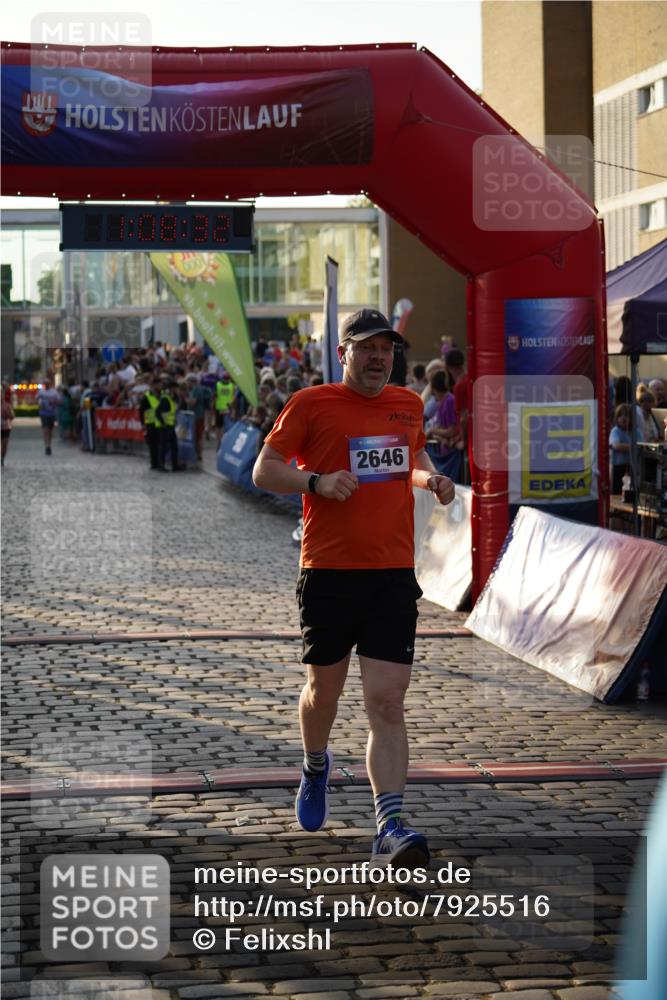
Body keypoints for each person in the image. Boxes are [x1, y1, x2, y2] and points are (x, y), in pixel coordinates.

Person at [253, 308, 455, 866]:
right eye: (366, 348)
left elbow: (409, 457)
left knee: (387, 703)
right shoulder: (311, 404)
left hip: (392, 574)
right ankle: (316, 763)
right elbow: (264, 469)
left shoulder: (407, 404)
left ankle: (389, 823)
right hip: (329, 574)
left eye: (386, 349)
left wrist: (429, 477)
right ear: (343, 352)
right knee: (325, 694)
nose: (377, 358)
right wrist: (315, 480)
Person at [157, 380, 183, 472]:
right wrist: (163, 422)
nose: (177, 390)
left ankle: (175, 466)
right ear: (172, 388)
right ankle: (161, 465)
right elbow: (158, 412)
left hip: (171, 426)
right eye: (176, 388)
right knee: (164, 446)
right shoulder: (165, 398)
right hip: (165, 426)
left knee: (174, 446)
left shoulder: (173, 398)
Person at [139, 374, 164, 471]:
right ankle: (154, 463)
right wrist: (143, 423)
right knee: (153, 444)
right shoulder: (147, 396)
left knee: (160, 444)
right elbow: (141, 411)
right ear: (154, 385)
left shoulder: (163, 395)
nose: (161, 387)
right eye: (159, 385)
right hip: (151, 423)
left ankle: (159, 463)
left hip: (161, 423)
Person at [609, 403, 632, 494]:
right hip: (618, 468)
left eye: (626, 416)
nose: (623, 418)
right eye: (620, 415)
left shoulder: (636, 431)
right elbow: (616, 446)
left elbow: (642, 446)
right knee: (617, 492)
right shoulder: (615, 431)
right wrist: (632, 447)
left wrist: (625, 447)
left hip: (632, 467)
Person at [37, 378, 59, 455]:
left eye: (47, 383)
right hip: (43, 413)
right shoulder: (41, 392)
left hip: (51, 413)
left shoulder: (54, 392)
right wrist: (39, 403)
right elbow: (37, 400)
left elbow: (58, 401)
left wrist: (54, 401)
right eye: (45, 383)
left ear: (50, 384)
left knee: (50, 430)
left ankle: (49, 444)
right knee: (45, 429)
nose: (46, 385)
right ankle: (47, 446)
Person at [214, 371, 235, 448]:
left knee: (221, 427)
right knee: (221, 427)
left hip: (224, 408)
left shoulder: (219, 385)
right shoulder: (230, 385)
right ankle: (220, 443)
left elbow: (214, 397)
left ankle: (220, 443)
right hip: (223, 408)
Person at [1, 388, 14, 466]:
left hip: (5, 427)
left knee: (4, 444)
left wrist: (8, 414)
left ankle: (2, 458)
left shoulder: (6, 405)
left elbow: (12, 417)